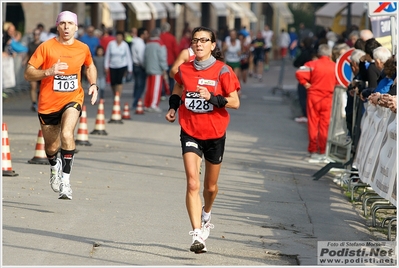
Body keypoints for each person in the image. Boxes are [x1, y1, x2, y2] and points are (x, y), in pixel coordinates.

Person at [165, 26, 240, 253]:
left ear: (213, 45)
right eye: (196, 40)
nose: (199, 44)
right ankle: (197, 234)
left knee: (210, 186)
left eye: (204, 40)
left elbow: (234, 102)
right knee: (192, 182)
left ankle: (206, 213)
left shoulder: (223, 71)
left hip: (215, 134)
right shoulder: (185, 69)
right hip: (190, 130)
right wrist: (173, 107)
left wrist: (213, 98)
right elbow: (179, 85)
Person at [24, 10, 98, 200]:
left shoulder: (82, 48)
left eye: (70, 24)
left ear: (76, 27)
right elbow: (28, 73)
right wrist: (48, 71)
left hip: (73, 99)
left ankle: (66, 181)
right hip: (48, 104)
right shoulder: (46, 47)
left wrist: (93, 84)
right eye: (63, 23)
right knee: (51, 147)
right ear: (58, 25)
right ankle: (54, 166)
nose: (66, 27)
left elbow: (90, 65)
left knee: (67, 134)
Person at [295, 44, 338, 163]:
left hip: (314, 97)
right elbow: (340, 80)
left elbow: (299, 72)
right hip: (328, 97)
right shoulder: (335, 66)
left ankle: (313, 149)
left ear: (319, 54)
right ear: (330, 54)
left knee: (313, 123)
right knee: (325, 125)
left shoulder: (311, 64)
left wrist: (305, 83)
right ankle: (323, 149)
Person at [143, 28, 168, 113]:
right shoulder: (160, 44)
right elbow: (162, 58)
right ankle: (153, 105)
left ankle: (147, 104)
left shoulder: (148, 44)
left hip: (149, 68)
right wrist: (164, 68)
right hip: (157, 69)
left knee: (149, 88)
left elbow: (144, 57)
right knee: (156, 88)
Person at [293, 37, 317, 123]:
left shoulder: (304, 53)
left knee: (303, 96)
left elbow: (296, 63)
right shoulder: (314, 52)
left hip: (305, 76)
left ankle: (305, 114)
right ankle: (310, 114)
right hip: (315, 77)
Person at [104, 31, 133, 98]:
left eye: (120, 36)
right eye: (117, 36)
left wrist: (130, 68)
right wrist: (106, 66)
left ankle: (118, 96)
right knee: (113, 82)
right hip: (112, 65)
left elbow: (128, 56)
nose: (118, 38)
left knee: (119, 81)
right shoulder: (111, 44)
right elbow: (107, 55)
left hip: (122, 65)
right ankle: (115, 93)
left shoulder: (125, 45)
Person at [160, 22, 180, 98]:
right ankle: (172, 91)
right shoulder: (171, 37)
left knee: (162, 78)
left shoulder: (159, 37)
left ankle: (162, 92)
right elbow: (176, 50)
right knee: (171, 77)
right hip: (170, 60)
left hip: (161, 61)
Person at [131, 27, 148, 110]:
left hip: (134, 65)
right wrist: (144, 66)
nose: (147, 35)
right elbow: (141, 56)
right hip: (139, 66)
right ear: (142, 34)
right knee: (140, 85)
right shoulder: (140, 43)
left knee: (137, 84)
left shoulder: (135, 42)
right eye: (145, 33)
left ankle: (135, 100)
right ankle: (136, 102)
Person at [27, 28, 43, 112]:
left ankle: (40, 102)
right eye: (34, 34)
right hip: (33, 68)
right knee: (33, 86)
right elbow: (28, 55)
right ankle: (34, 103)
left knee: (41, 88)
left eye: (37, 34)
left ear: (39, 35)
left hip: (42, 70)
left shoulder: (43, 44)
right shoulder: (30, 44)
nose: (36, 36)